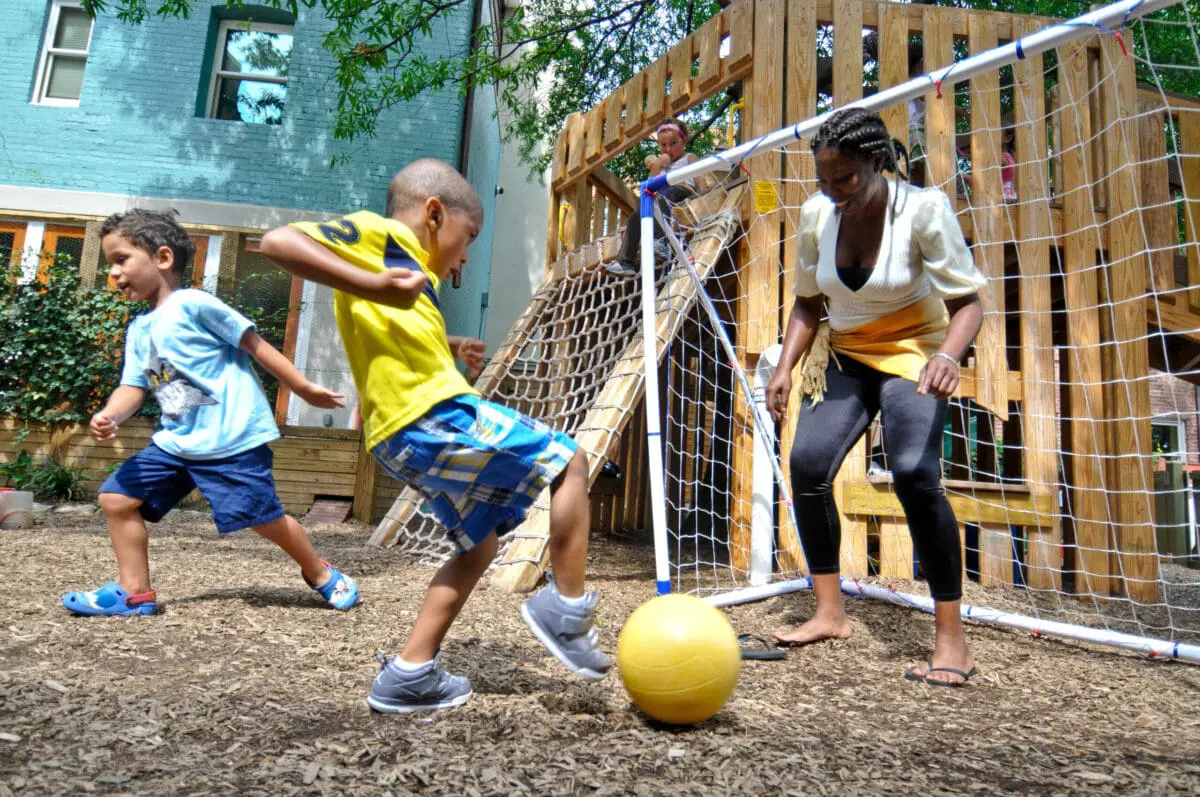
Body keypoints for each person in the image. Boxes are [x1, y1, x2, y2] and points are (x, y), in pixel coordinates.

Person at [259, 158, 609, 713]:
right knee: (569, 461)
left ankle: (409, 675)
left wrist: (449, 348)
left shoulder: (412, 276)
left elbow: (393, 336)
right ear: (433, 212)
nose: (466, 255)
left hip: (405, 429)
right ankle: (565, 609)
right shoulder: (385, 237)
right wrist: (369, 280)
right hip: (426, 417)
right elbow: (276, 242)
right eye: (468, 237)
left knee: (480, 546)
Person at [764, 108, 987, 687]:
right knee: (808, 463)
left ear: (878, 164)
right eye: (825, 181)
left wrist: (947, 356)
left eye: (846, 180)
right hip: (845, 349)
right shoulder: (818, 215)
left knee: (914, 470)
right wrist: (785, 367)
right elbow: (809, 303)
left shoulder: (924, 209)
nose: (835, 193)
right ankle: (830, 613)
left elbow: (968, 305)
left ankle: (952, 642)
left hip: (914, 350)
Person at [61, 209, 360, 617]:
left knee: (262, 519)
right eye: (109, 263)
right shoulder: (140, 330)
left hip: (230, 440)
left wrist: (303, 387)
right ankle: (135, 593)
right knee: (116, 497)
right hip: (177, 443)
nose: (112, 272)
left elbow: (254, 345)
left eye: (120, 259)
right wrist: (112, 414)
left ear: (163, 258)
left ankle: (320, 573)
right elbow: (134, 386)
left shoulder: (195, 305)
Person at [605, 118, 714, 277]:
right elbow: (649, 188)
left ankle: (659, 243)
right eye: (663, 145)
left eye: (673, 143)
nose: (668, 148)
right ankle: (625, 261)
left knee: (665, 198)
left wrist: (704, 198)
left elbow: (700, 181)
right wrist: (657, 166)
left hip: (682, 190)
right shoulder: (661, 165)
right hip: (662, 196)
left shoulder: (688, 158)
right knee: (636, 216)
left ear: (683, 141)